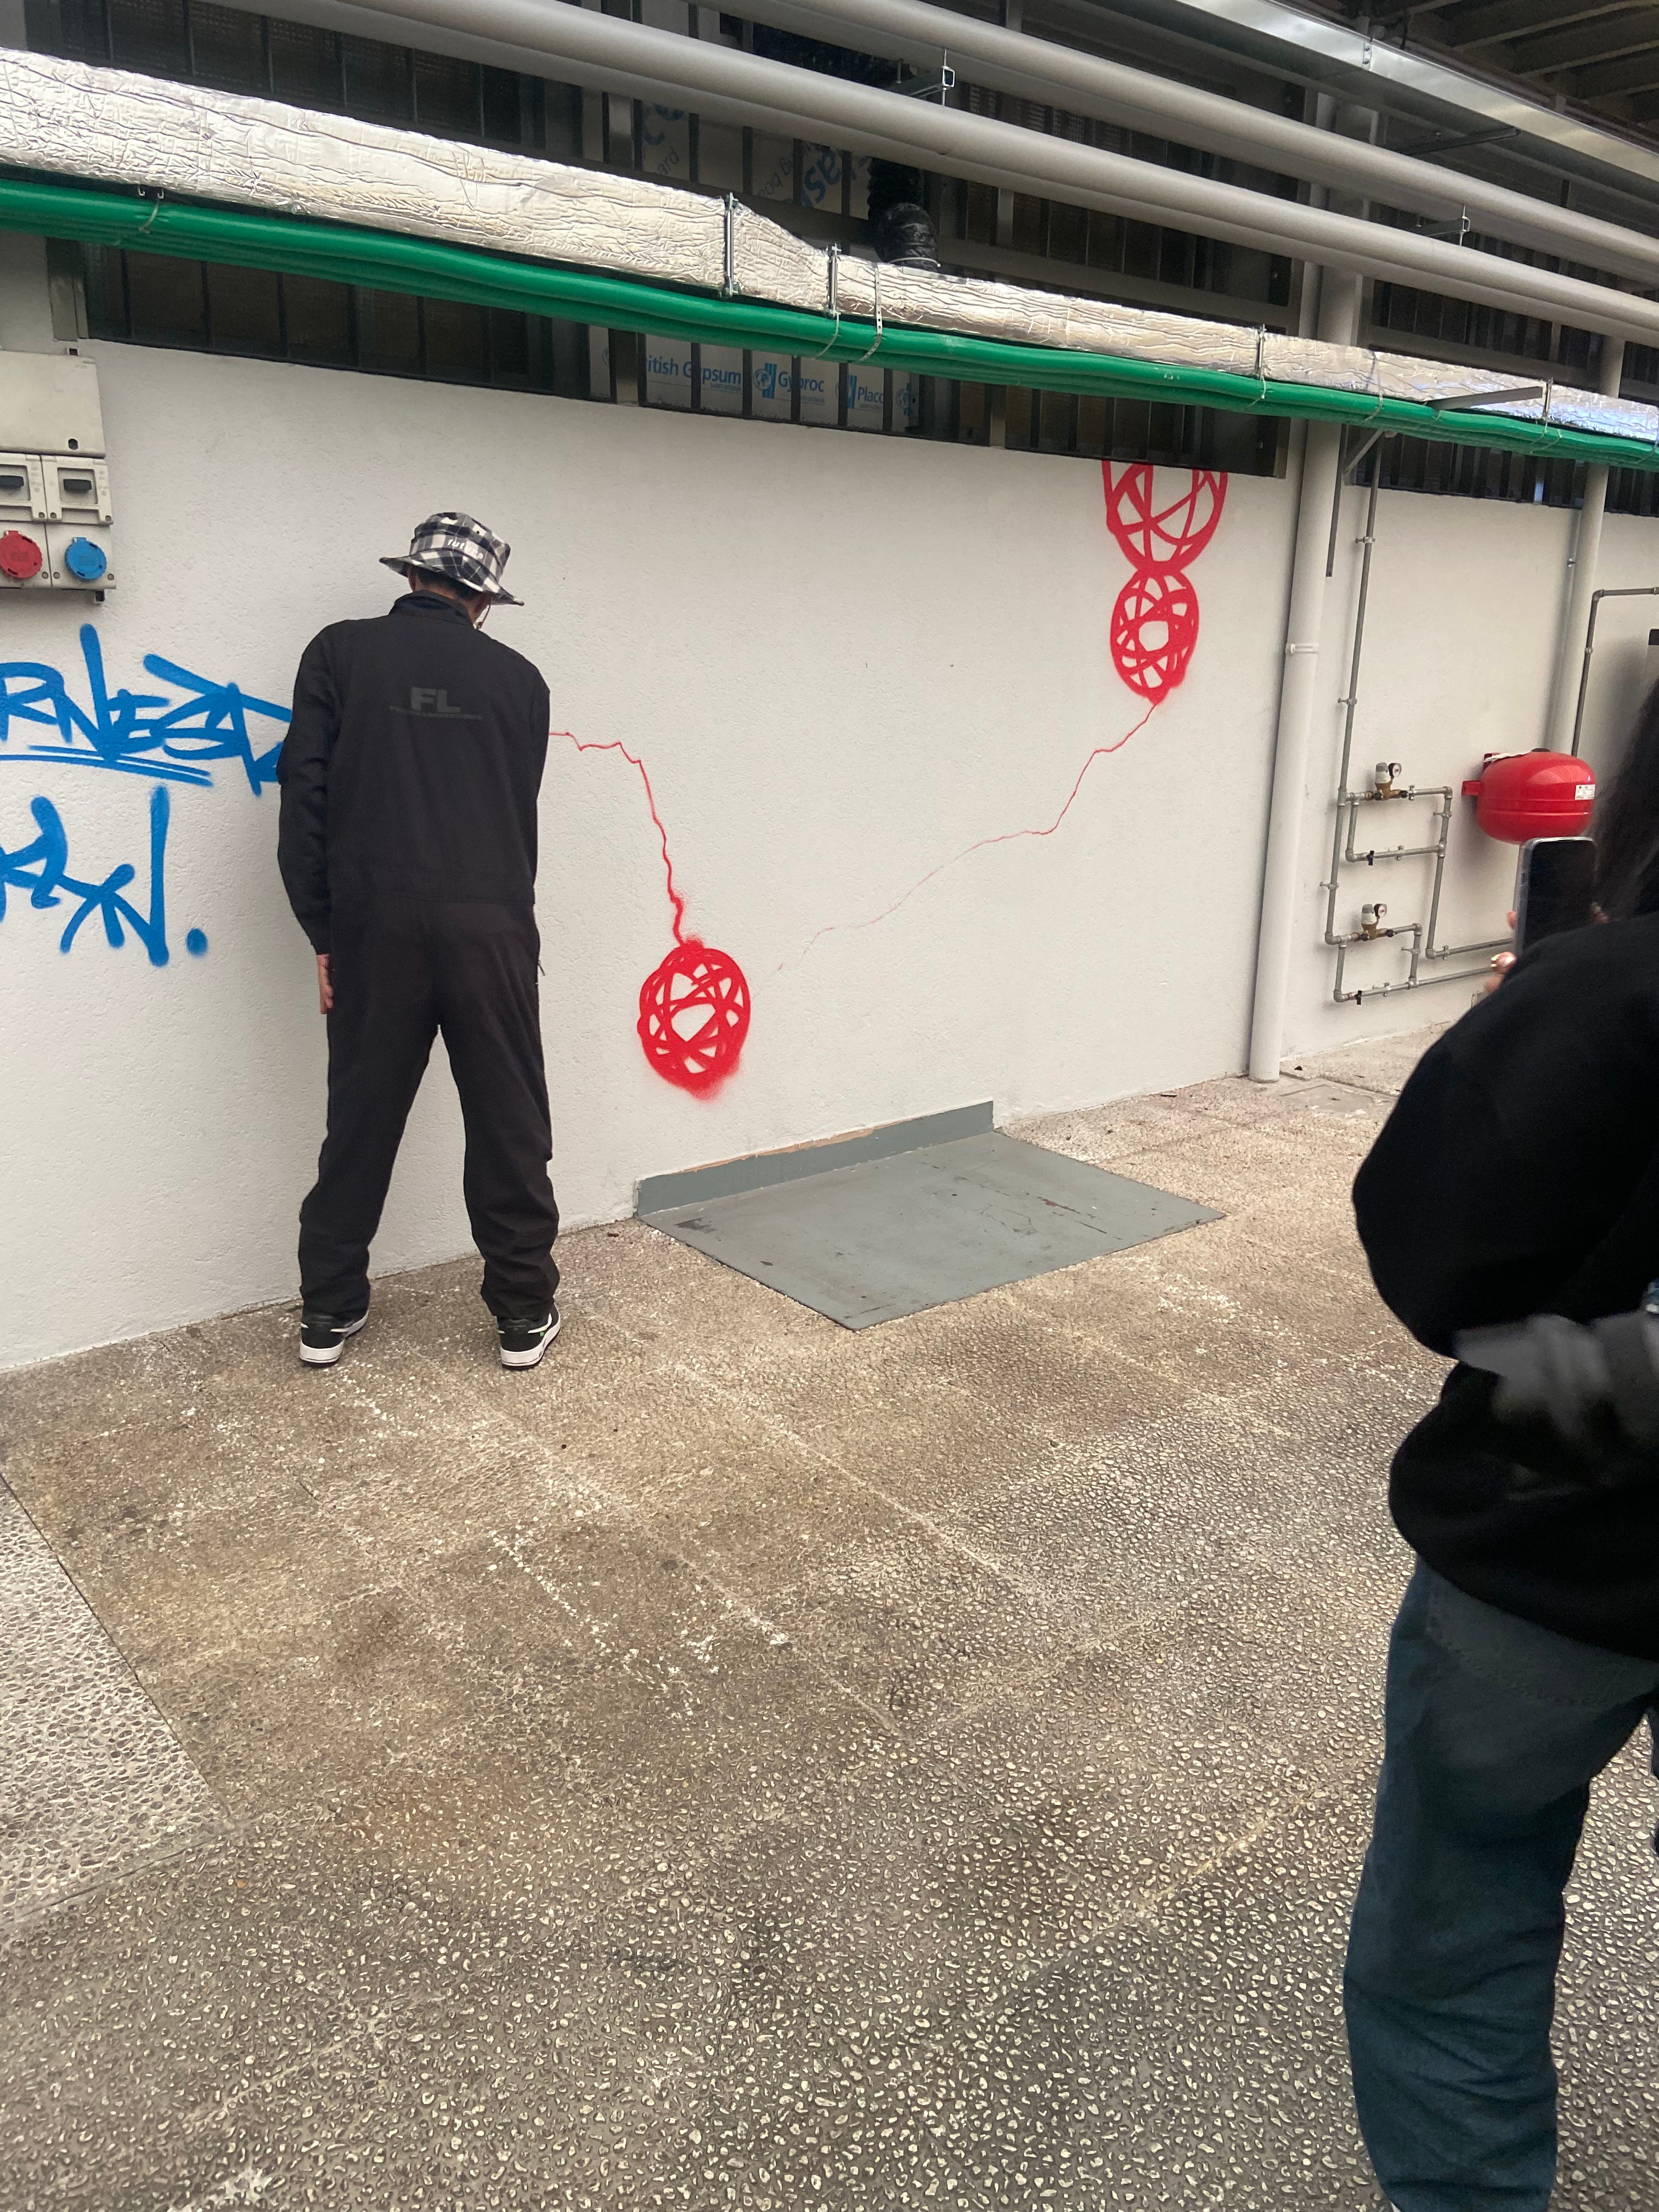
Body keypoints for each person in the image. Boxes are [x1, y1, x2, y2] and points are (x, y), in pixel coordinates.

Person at [1342, 689, 1659, 2211]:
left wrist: (1536, 1030)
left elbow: (1436, 1261)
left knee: (1457, 1935)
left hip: (1554, 1544)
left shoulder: (1605, 992)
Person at [277, 513, 561, 1372]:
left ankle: (328, 1310)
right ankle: (523, 1313)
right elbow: (513, 805)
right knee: (508, 1120)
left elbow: (303, 798)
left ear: (411, 577)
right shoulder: (522, 682)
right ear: (484, 599)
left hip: (374, 926)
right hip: (491, 926)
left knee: (361, 1119)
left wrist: (324, 932)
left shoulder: (338, 653)